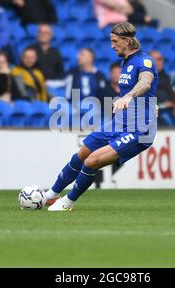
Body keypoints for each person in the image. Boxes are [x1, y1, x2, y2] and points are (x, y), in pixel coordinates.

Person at [46, 22, 158, 211]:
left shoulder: (144, 61)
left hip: (139, 130)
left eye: (115, 41)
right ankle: (50, 194)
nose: (112, 45)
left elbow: (146, 82)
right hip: (119, 123)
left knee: (92, 162)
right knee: (82, 154)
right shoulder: (126, 62)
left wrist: (129, 96)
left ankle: (68, 202)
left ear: (127, 40)